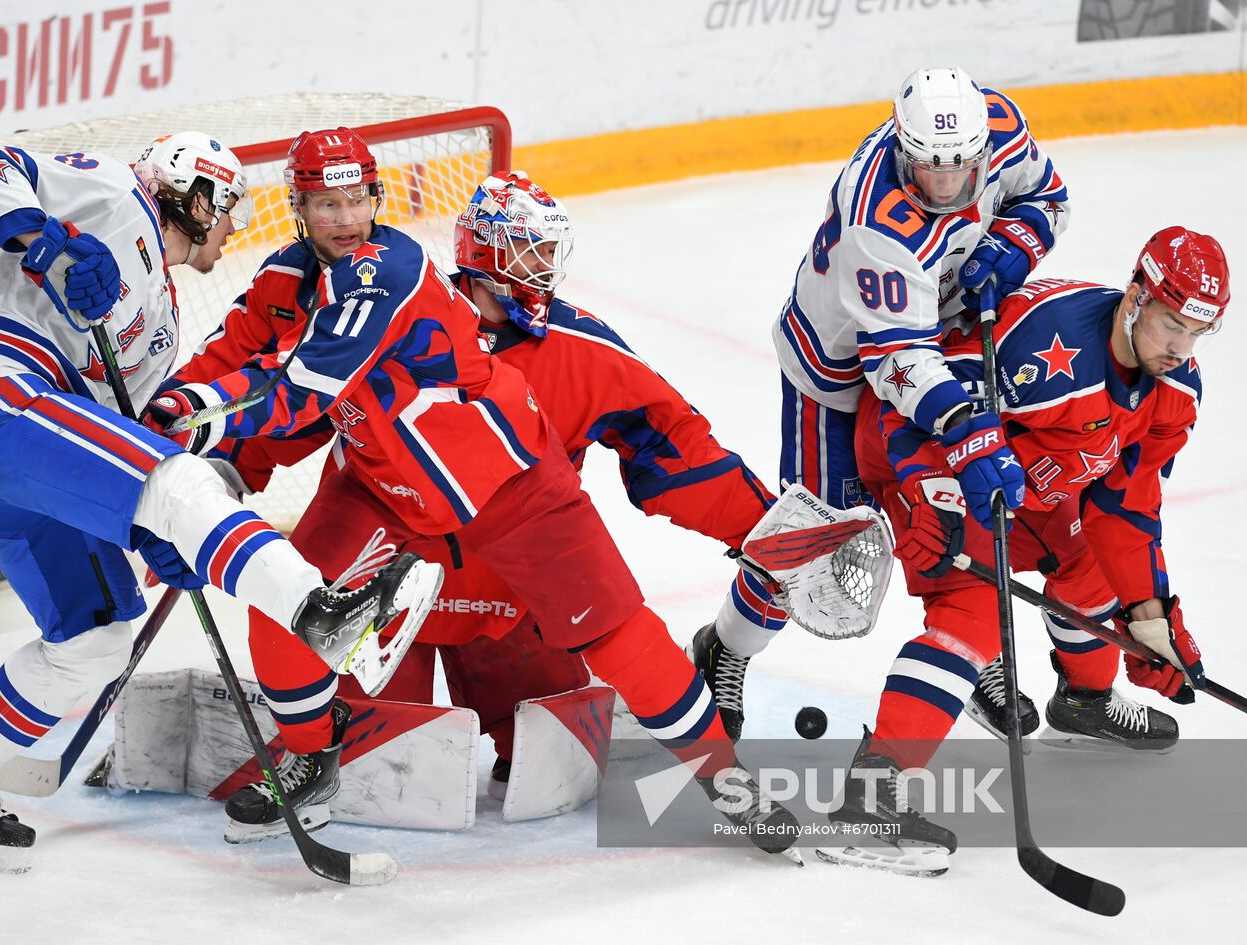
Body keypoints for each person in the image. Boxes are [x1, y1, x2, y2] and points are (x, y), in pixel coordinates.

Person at [141, 129, 818, 855]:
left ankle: (726, 780)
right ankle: (312, 757)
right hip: (379, 492)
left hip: (515, 488)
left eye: (355, 199)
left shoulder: (388, 273)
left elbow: (302, 388)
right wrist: (166, 432)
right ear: (299, 207)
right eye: (324, 203)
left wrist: (761, 525)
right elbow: (232, 352)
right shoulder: (287, 280)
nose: (342, 218)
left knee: (622, 636)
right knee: (285, 606)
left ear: (376, 198)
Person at [0, 133, 438, 873]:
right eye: (229, 207)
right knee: (181, 476)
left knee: (98, 633)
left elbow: (113, 446)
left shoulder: (159, 331)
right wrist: (46, 244)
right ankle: (323, 614)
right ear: (198, 194)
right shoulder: (116, 194)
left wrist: (158, 535)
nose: (235, 226)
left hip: (5, 446)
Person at [819, 227, 1229, 876]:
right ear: (1136, 297)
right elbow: (914, 395)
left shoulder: (1174, 390)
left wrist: (1152, 626)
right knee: (972, 614)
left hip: (1032, 477)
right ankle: (870, 796)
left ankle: (1084, 699)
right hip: (933, 457)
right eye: (1172, 323)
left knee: (1096, 562)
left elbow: (1124, 509)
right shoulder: (1046, 346)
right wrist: (930, 494)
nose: (1182, 348)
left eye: (1198, 332)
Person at [698, 65, 1070, 740]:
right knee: (815, 541)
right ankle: (725, 647)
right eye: (930, 170)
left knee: (960, 515)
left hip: (944, 346)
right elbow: (897, 361)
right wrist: (963, 426)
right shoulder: (880, 223)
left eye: (962, 169)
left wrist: (1012, 248)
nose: (948, 186)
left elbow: (1050, 197)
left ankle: (968, 650)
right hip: (840, 376)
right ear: (904, 148)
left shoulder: (1002, 126)